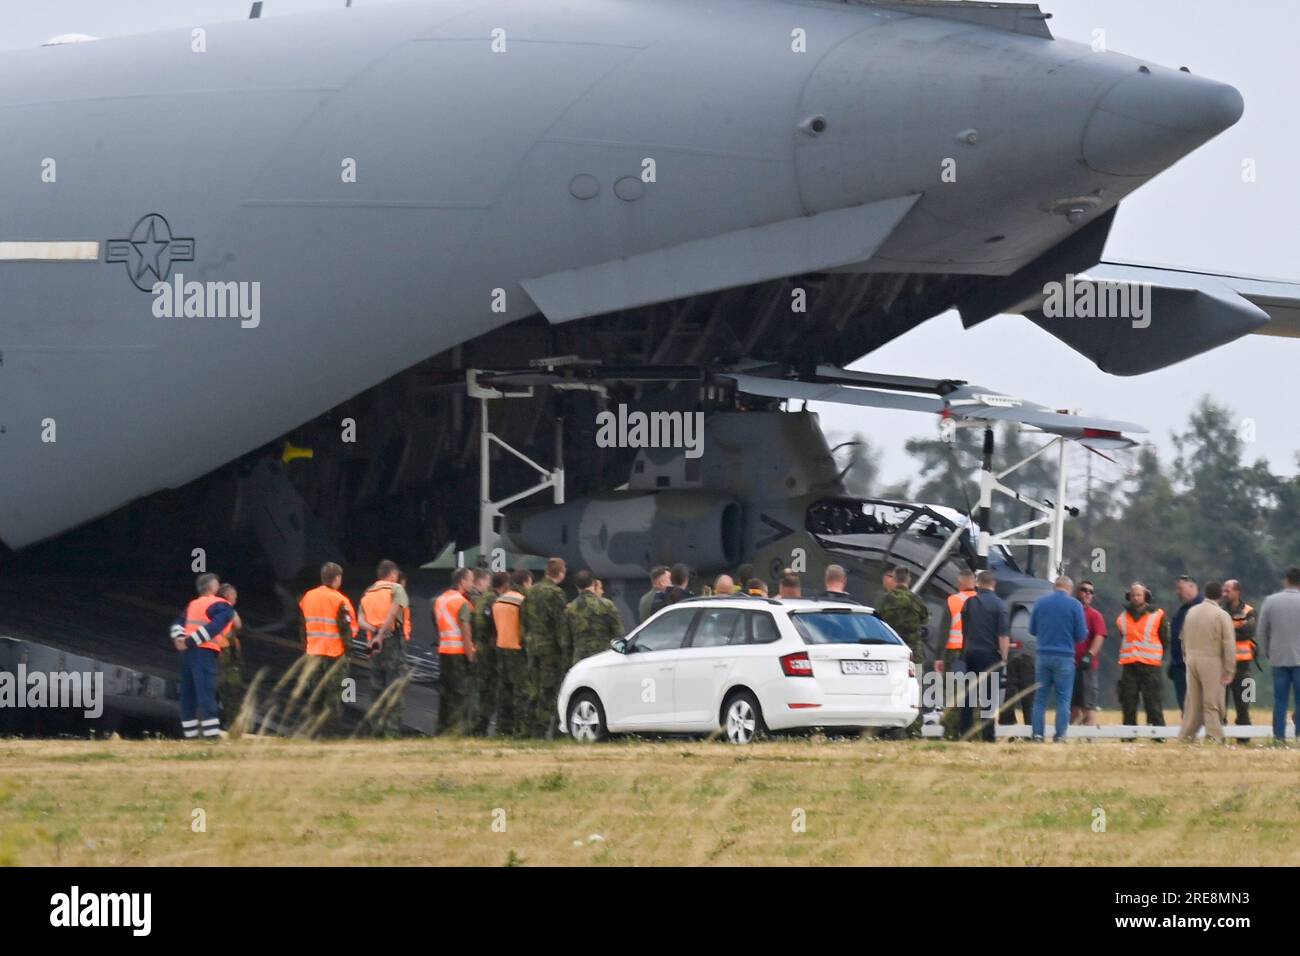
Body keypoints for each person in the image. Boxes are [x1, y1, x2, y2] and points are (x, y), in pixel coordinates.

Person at [171, 573, 237, 740]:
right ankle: (211, 735)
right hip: (203, 651)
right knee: (206, 691)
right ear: (213, 587)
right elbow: (214, 627)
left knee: (188, 693)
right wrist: (191, 642)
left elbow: (177, 624)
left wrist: (180, 639)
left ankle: (190, 735)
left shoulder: (193, 604)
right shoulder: (222, 605)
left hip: (187, 654)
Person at [297, 562, 359, 735]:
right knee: (335, 695)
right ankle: (330, 733)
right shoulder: (340, 600)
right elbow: (347, 629)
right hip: (335, 653)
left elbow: (303, 626)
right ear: (337, 578)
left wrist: (306, 647)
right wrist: (349, 650)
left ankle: (313, 731)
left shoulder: (307, 597)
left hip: (313, 653)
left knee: (315, 693)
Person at [1176, 581, 1236, 744]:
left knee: (1193, 704)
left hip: (1191, 660)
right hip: (1211, 661)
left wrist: (1186, 657)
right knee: (1212, 701)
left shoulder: (1191, 612)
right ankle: (1215, 736)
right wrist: (1229, 669)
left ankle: (1186, 737)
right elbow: (1229, 644)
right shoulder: (1221, 615)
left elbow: (1183, 638)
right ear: (1220, 595)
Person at [1028, 576, 1086, 742]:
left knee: (1040, 699)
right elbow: (1081, 635)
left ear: (1054, 587)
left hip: (1043, 655)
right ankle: (1060, 735)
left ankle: (1037, 734)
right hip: (1065, 656)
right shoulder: (1075, 605)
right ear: (1069, 588)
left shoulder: (1040, 603)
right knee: (1063, 699)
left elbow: (1032, 629)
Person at [357, 560, 410, 737]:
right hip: (391, 642)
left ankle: (376, 730)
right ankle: (392, 731)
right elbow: (393, 612)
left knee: (376, 688)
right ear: (392, 574)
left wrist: (373, 631)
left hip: (373, 646)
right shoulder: (396, 589)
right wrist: (381, 633)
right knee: (395, 686)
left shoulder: (368, 593)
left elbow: (360, 620)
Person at [878, 566, 929, 737]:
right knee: (914, 691)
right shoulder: (916, 600)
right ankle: (914, 731)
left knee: (891, 690)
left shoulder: (886, 600)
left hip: (891, 652)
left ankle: (891, 730)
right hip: (914, 652)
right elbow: (925, 619)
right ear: (908, 580)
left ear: (894, 579)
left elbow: (879, 622)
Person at [959, 570, 1010, 742]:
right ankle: (988, 736)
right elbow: (1003, 635)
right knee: (989, 696)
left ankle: (965, 733)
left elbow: (964, 629)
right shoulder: (1000, 605)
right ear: (994, 584)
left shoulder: (969, 602)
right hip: (990, 655)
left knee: (969, 696)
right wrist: (1004, 657)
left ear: (977, 584)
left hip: (971, 652)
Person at [522, 557, 569, 737]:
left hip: (532, 646)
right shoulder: (555, 593)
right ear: (561, 573)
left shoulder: (531, 591)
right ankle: (541, 732)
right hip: (550, 649)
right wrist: (565, 650)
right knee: (548, 691)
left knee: (533, 689)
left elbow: (524, 618)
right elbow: (560, 625)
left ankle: (527, 730)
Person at [1115, 582, 1169, 735]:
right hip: (1129, 665)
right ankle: (1128, 735)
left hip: (1150, 666)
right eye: (1133, 595)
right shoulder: (1122, 618)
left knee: (1153, 702)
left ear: (1146, 596)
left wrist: (1157, 656)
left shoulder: (1158, 615)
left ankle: (1158, 735)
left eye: (1139, 595)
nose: (1135, 597)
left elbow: (1165, 639)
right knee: (1128, 701)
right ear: (1129, 596)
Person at [1257, 567, 1300, 744]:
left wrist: (1268, 651)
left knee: (1280, 700)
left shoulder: (1270, 601)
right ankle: (1299, 736)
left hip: (1279, 658)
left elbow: (1262, 631)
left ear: (1286, 581)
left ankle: (1279, 737)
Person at [433, 568, 477, 734]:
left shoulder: (440, 599)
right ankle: (459, 730)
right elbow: (465, 630)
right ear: (462, 582)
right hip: (459, 652)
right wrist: (470, 653)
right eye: (470, 580)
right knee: (461, 693)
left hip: (444, 650)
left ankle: (442, 728)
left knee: (445, 692)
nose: (472, 584)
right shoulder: (462, 603)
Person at [492, 570, 530, 737]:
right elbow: (526, 627)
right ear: (525, 582)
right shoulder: (522, 601)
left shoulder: (498, 601)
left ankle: (502, 728)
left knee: (504, 691)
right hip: (517, 649)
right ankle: (520, 728)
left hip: (502, 648)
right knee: (520, 692)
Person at [470, 571, 508, 735]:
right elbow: (491, 625)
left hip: (479, 646)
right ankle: (480, 726)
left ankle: (477, 726)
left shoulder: (482, 598)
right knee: (489, 689)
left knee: (481, 687)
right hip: (488, 650)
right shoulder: (493, 600)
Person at [1220, 579, 1258, 735]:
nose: (1224, 594)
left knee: (1244, 705)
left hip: (1243, 667)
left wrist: (1227, 632)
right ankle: (1219, 736)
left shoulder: (1249, 611)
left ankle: (1244, 737)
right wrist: (1237, 629)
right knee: (1220, 705)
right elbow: (1216, 633)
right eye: (1223, 590)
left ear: (1237, 592)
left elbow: (1248, 633)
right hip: (1223, 665)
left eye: (1228, 591)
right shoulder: (1220, 611)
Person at [566, 570, 625, 664]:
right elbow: (619, 632)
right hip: (604, 657)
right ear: (593, 584)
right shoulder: (606, 604)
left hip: (581, 660)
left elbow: (566, 640)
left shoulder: (570, 609)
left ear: (576, 586)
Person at [1071, 580, 1107, 726]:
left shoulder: (1095, 615)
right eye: (1084, 590)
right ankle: (1068, 738)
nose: (1087, 594)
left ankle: (1089, 737)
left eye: (1091, 592)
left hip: (1087, 666)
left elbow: (1099, 636)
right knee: (1072, 705)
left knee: (1089, 705)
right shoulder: (1071, 612)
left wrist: (1090, 655)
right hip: (1070, 665)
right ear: (1077, 592)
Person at [214, 583, 246, 729]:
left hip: (211, 650)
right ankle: (232, 721)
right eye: (234, 596)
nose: (236, 598)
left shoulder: (210, 607)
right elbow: (238, 625)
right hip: (226, 651)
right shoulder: (227, 609)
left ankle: (212, 718)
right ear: (227, 596)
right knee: (231, 687)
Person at [1169, 575, 1203, 712]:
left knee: (1203, 706)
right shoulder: (1182, 610)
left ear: (1191, 587)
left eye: (1180, 589)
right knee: (1186, 707)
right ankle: (1190, 733)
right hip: (1180, 666)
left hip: (1197, 666)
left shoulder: (1203, 608)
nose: (1178, 592)